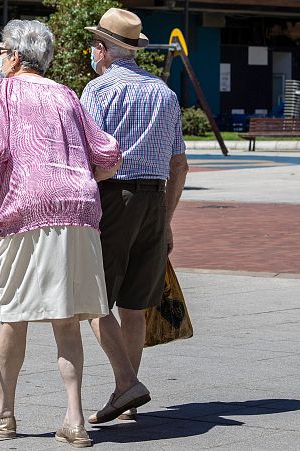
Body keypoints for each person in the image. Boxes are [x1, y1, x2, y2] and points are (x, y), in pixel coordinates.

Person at [0, 19, 122, 448]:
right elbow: (108, 155)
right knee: (66, 320)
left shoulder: (2, 90)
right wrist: (76, 180)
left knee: (15, 314)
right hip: (80, 208)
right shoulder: (65, 93)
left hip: (31, 208)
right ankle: (74, 420)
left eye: (1, 51)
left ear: (14, 56)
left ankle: (3, 411)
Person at [81, 8, 189, 424]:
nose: (92, 51)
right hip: (155, 201)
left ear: (104, 49)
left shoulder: (98, 91)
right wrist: (167, 219)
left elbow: (87, 156)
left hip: (113, 197)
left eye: (94, 45)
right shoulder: (164, 93)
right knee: (134, 304)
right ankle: (126, 397)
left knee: (91, 296)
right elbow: (180, 165)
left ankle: (126, 383)